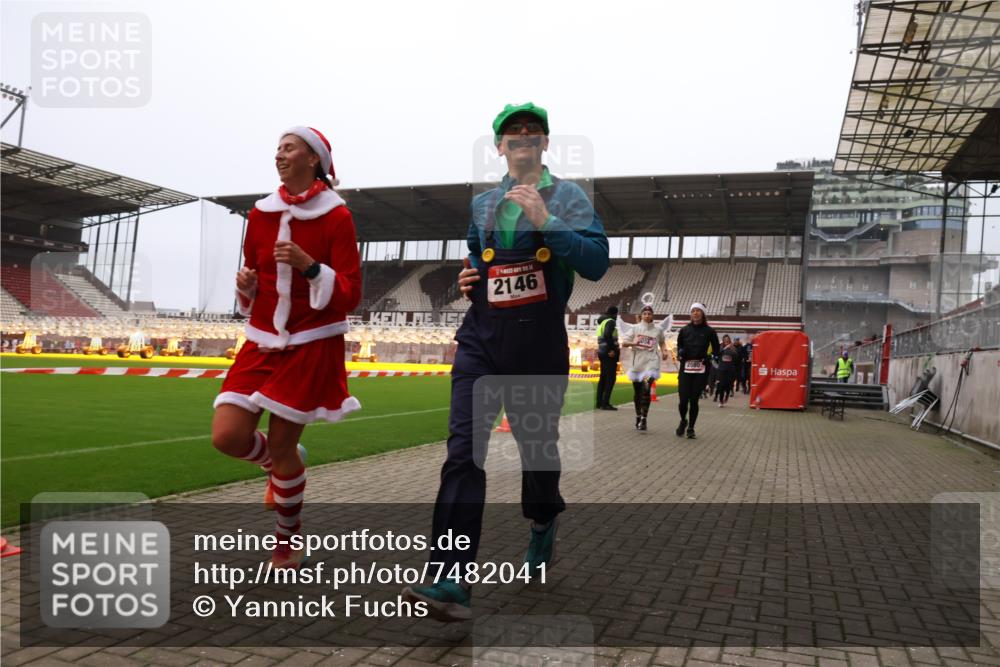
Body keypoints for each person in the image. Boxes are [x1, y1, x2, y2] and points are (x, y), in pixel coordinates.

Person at [402, 102, 609, 621]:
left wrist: (548, 221)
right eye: (511, 132)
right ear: (498, 146)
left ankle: (543, 522)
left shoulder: (570, 197)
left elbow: (598, 262)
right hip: (482, 339)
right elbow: (476, 258)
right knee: (463, 453)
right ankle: (450, 576)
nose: (521, 136)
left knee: (537, 454)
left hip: (538, 344)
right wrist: (467, 278)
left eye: (532, 131)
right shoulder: (483, 206)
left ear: (543, 144)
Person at [210, 126, 362, 569]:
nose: (280, 154)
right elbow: (255, 274)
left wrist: (311, 267)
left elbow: (350, 292)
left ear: (313, 159)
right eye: (278, 148)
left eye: (289, 148)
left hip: (311, 343)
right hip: (261, 340)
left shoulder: (337, 217)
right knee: (227, 436)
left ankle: (287, 539)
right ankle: (281, 464)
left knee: (280, 448)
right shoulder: (259, 214)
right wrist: (247, 286)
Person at [675, 303, 720, 439]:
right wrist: (680, 353)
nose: (695, 313)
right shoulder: (684, 330)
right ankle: (683, 420)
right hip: (686, 368)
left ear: (703, 313)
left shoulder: (710, 331)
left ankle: (691, 428)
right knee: (683, 400)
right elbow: (679, 347)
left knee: (694, 400)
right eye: (693, 311)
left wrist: (711, 357)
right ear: (691, 314)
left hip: (701, 369)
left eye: (698, 311)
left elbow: (717, 349)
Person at [621, 305, 669, 431]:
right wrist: (634, 343)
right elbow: (624, 343)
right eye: (645, 313)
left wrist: (665, 351)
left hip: (651, 365)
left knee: (646, 390)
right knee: (637, 393)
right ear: (641, 315)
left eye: (649, 313)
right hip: (637, 365)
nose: (647, 315)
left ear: (652, 315)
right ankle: (638, 416)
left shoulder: (658, 330)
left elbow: (662, 342)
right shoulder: (635, 328)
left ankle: (644, 419)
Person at [595, 306, 620, 410]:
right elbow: (607, 335)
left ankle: (599, 403)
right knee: (611, 378)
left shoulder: (602, 323)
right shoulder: (610, 322)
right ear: (615, 314)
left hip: (602, 351)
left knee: (603, 378)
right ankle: (605, 403)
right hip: (609, 354)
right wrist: (612, 350)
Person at [714, 335, 737, 407]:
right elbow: (717, 354)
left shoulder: (732, 348)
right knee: (721, 385)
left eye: (727, 339)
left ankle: (726, 396)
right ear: (723, 340)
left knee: (728, 386)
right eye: (725, 340)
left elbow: (736, 357)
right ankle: (721, 401)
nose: (726, 341)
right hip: (722, 370)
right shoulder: (721, 347)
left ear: (729, 340)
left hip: (730, 370)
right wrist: (724, 348)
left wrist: (732, 350)